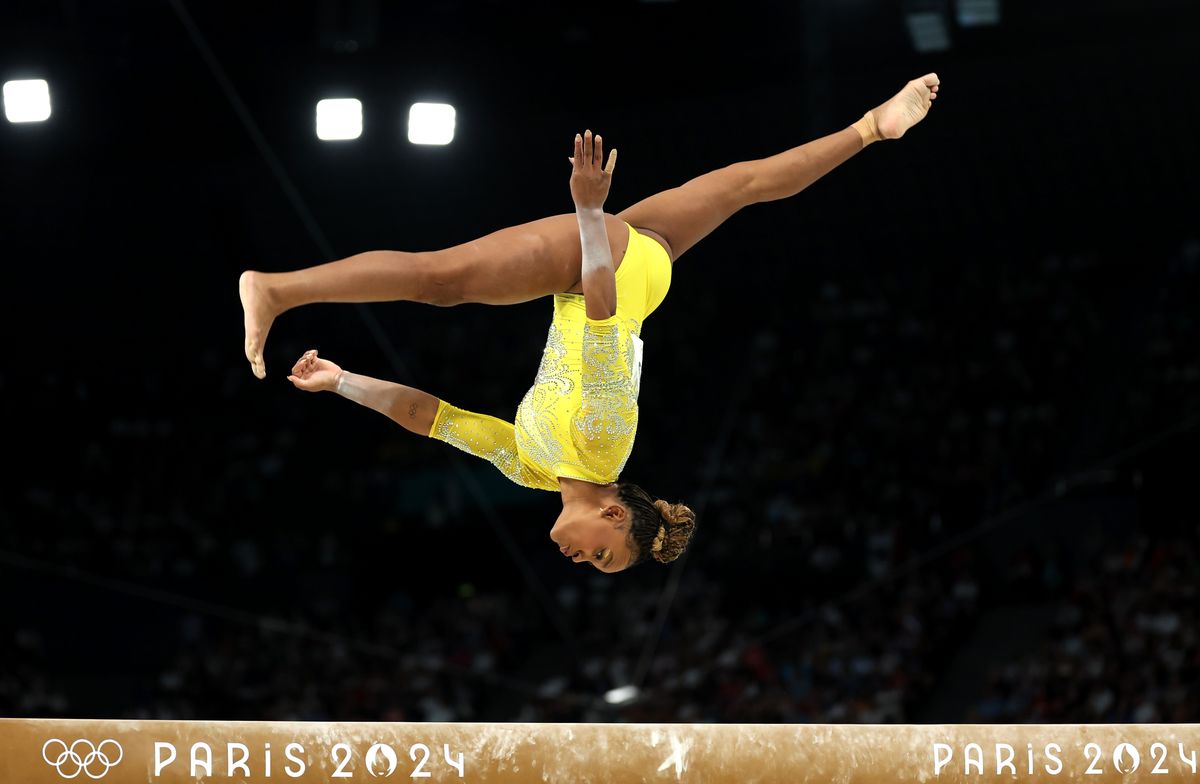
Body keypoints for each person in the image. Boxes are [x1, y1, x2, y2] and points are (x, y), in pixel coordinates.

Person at [242, 74, 942, 573]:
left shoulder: (534, 470)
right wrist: (585, 214)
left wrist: (342, 383)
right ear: (613, 515)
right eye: (603, 554)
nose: (581, 559)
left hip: (643, 273)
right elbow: (602, 317)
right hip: (596, 276)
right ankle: (276, 289)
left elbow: (434, 417)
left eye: (592, 567)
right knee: (441, 281)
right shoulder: (603, 445)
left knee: (745, 186)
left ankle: (871, 127)